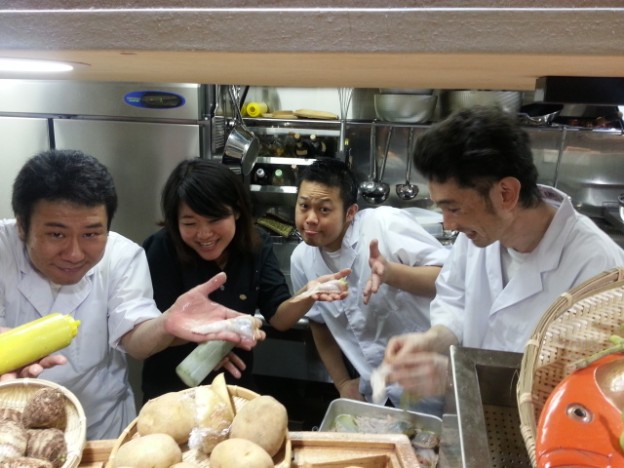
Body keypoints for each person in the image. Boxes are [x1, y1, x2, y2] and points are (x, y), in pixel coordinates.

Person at [0, 149, 265, 440]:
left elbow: (135, 341)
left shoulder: (123, 256)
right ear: (23, 226)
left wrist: (165, 324)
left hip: (100, 424)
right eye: (56, 234)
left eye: (91, 234)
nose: (74, 253)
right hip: (8, 426)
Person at [384, 106, 624, 399]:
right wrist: (433, 340)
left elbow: (582, 386)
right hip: (472, 415)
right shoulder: (480, 234)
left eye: (454, 208)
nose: (449, 223)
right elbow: (456, 299)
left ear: (506, 194)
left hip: (540, 436)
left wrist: (451, 378)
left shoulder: (598, 268)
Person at [141, 158, 349, 401]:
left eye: (215, 219)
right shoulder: (161, 249)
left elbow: (279, 318)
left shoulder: (256, 245)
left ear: (236, 211)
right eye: (190, 223)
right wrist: (210, 334)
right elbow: (146, 335)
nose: (204, 234)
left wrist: (308, 294)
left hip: (233, 391)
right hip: (170, 392)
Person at [290, 158, 449, 409]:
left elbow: (448, 281)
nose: (310, 218)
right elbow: (319, 324)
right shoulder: (301, 259)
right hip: (374, 392)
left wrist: (392, 273)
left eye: (324, 209)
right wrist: (342, 382)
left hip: (432, 381)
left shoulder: (384, 224)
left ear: (350, 212)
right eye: (304, 206)